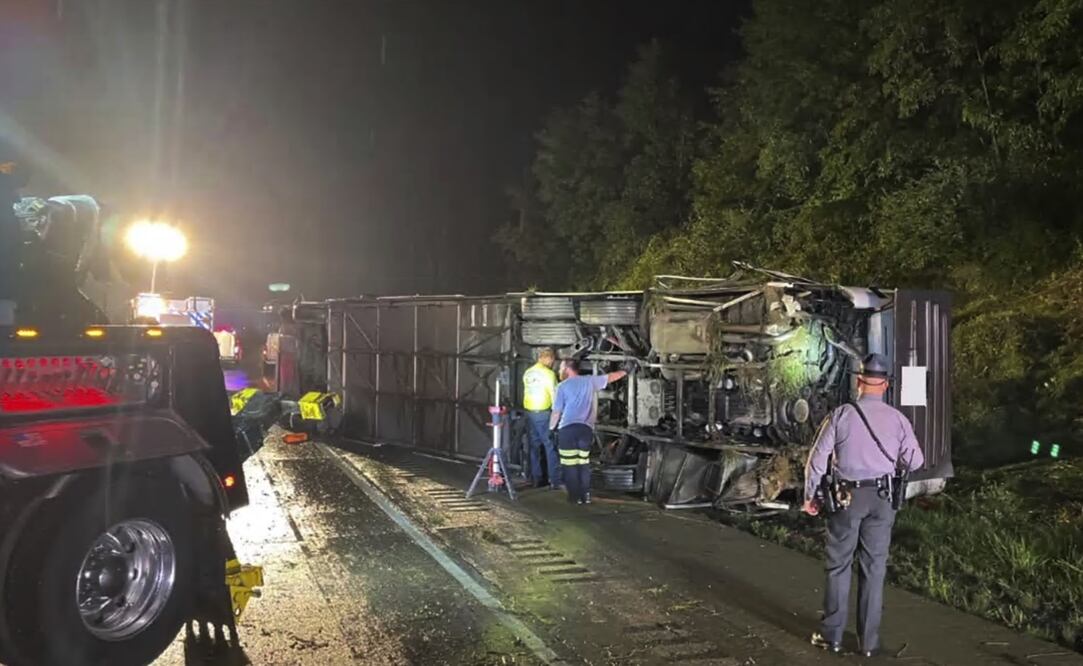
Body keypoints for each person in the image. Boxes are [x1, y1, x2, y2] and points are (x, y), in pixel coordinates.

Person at [802, 353, 925, 657]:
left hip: (847, 498)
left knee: (839, 566)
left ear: (859, 381)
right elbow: (916, 460)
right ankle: (868, 644)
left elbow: (816, 463)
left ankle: (832, 637)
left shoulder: (842, 414)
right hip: (883, 500)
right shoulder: (898, 419)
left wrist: (810, 497)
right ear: (884, 385)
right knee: (874, 569)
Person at [548, 357, 627, 504]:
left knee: (569, 463)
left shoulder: (562, 387)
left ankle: (574, 497)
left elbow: (556, 412)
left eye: (561, 368)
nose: (559, 370)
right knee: (583, 462)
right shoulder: (590, 381)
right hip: (586, 429)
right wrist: (626, 370)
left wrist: (551, 428)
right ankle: (586, 496)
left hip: (568, 429)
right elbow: (610, 377)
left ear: (567, 368)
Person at [522, 347, 560, 489]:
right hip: (544, 414)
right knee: (550, 447)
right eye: (553, 360)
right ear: (548, 358)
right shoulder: (549, 374)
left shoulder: (528, 373)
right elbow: (555, 397)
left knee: (534, 446)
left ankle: (537, 479)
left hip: (530, 412)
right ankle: (555, 480)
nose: (553, 363)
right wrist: (558, 415)